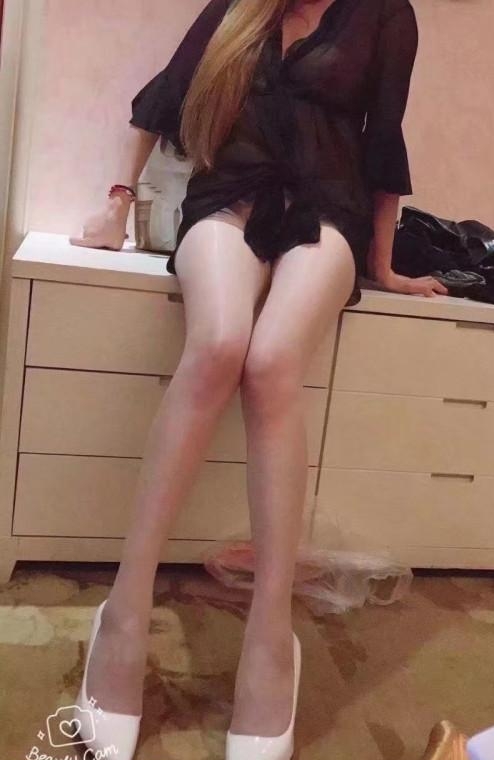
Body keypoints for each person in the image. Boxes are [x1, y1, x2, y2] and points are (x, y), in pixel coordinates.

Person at [70, 1, 448, 759]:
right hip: (227, 202)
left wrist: (384, 265)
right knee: (217, 343)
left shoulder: (384, 15)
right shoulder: (240, 7)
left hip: (328, 215)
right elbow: (166, 96)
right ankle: (125, 610)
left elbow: (383, 142)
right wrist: (117, 205)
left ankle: (271, 634)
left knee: (273, 361)